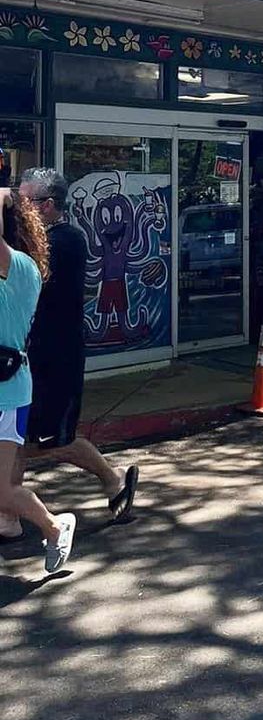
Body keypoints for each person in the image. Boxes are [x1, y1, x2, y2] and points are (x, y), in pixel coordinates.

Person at [0, 170, 138, 541]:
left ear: (47, 205)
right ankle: (7, 516)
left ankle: (113, 480)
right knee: (20, 439)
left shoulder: (66, 240)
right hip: (28, 359)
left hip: (57, 359)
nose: (18, 208)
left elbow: (20, 260)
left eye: (24, 201)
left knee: (57, 437)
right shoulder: (35, 243)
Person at [0, 188, 76, 573]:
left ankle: (53, 528)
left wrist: (1, 195)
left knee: (2, 489)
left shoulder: (22, 269)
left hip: (7, 394)